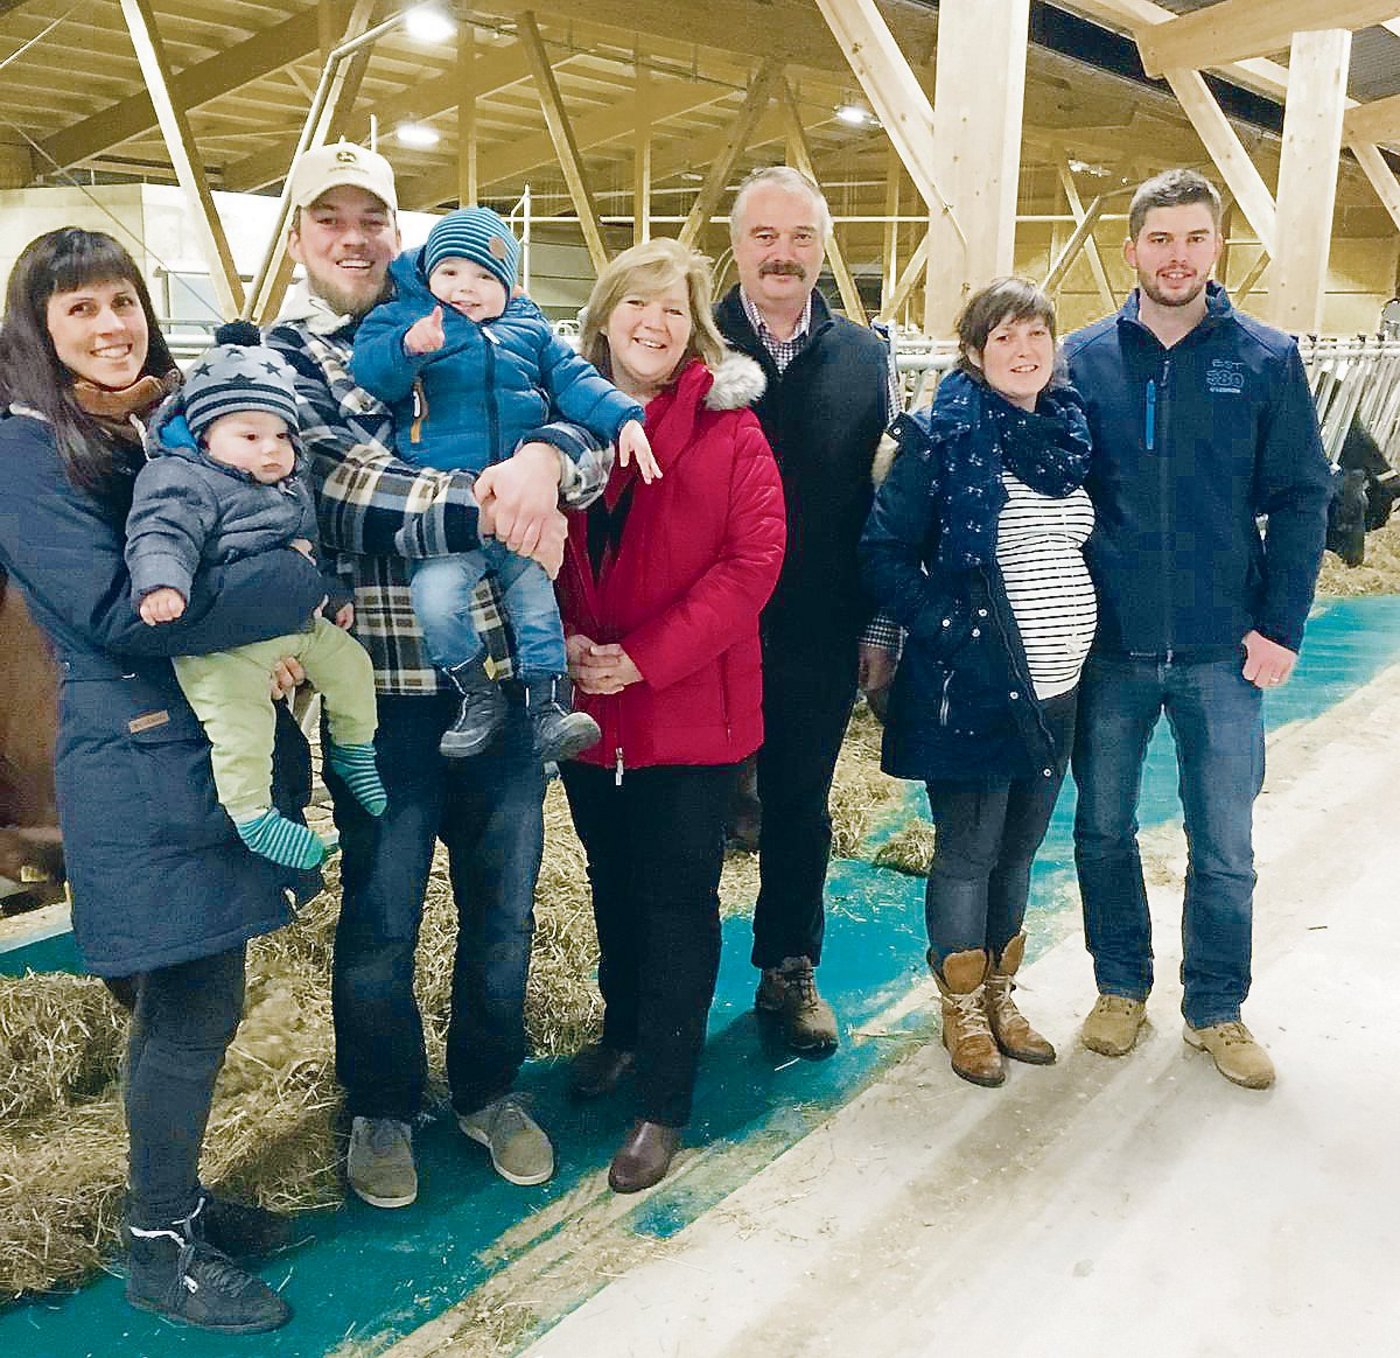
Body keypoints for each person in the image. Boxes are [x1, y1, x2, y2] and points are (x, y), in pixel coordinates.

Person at [265, 140, 612, 1207]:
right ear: (299, 237)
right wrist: (501, 499)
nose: (354, 238)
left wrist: (549, 456)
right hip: (381, 694)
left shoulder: (486, 317)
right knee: (381, 917)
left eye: (371, 217)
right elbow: (340, 487)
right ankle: (381, 1102)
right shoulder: (291, 357)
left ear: (397, 231)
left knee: (504, 915)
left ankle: (487, 1088)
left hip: (500, 683)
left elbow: (587, 446)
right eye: (330, 220)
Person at [0, 228, 329, 1332]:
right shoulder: (25, 451)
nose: (111, 327)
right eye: (80, 309)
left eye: (122, 302)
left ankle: (177, 1201)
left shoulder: (146, 427)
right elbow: (113, 611)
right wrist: (294, 588)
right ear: (40, 328)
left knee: (202, 997)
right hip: (136, 756)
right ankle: (158, 1248)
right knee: (185, 1006)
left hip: (193, 744)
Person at [1064, 169, 1332, 1089]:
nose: (1176, 257)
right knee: (1102, 828)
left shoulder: (1264, 356)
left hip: (1224, 647)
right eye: (1160, 239)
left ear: (1218, 247)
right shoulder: (1081, 359)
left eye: (1194, 238)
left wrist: (1281, 625)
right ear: (1131, 249)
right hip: (1111, 646)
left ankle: (1216, 1007)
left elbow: (1302, 497)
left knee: (1224, 844)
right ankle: (1119, 985)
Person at [555, 237, 784, 1191]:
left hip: (689, 712)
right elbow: (533, 545)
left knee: (678, 898)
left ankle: (664, 1095)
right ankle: (622, 1029)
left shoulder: (731, 433)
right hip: (588, 712)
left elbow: (752, 566)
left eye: (674, 308)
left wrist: (643, 659)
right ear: (604, 317)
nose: (654, 323)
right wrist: (564, 640)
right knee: (611, 882)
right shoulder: (558, 425)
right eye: (637, 304)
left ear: (695, 330)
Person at [861, 278, 1095, 1088]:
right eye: (1004, 336)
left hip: (1058, 687)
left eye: (1037, 334)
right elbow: (883, 553)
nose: (1024, 350)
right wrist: (951, 631)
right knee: (969, 852)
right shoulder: (942, 439)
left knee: (1020, 851)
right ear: (972, 351)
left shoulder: (1068, 436)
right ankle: (960, 1009)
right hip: (976, 685)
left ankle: (1000, 995)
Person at [350, 206, 658, 761]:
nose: (465, 288)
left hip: (523, 508)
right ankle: (477, 691)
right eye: (450, 272)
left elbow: (575, 380)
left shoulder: (530, 332)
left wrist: (624, 418)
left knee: (537, 605)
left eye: (484, 277)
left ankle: (549, 708)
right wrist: (407, 349)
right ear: (427, 273)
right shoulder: (404, 320)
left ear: (510, 287)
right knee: (435, 599)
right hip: (453, 508)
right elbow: (372, 374)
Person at [715, 165, 899, 1052]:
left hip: (818, 623)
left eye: (799, 237)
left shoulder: (865, 357)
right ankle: (656, 993)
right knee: (690, 815)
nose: (781, 254)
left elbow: (883, 503)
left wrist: (879, 624)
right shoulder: (694, 342)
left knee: (799, 804)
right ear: (736, 245)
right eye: (764, 236)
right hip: (705, 628)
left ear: (822, 247)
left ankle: (788, 968)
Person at [127, 321, 386, 869]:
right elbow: (160, 532)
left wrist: (331, 592)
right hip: (225, 645)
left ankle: (353, 750)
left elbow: (311, 549)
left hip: (296, 624)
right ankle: (252, 815)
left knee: (354, 668)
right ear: (205, 436)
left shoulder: (288, 485)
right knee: (241, 728)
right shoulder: (181, 478)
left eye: (282, 436)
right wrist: (162, 582)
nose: (271, 449)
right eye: (250, 437)